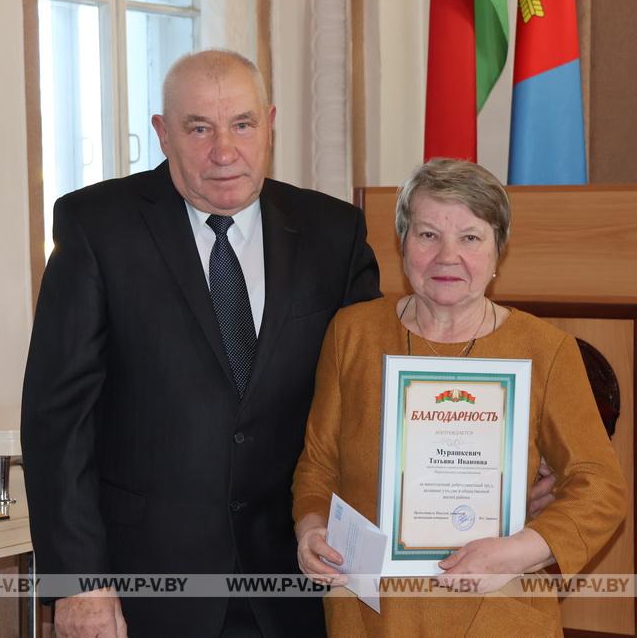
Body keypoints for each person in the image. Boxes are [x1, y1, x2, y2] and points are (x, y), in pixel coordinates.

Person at [20, 49, 381, 638]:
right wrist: (79, 581)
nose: (224, 151)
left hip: (298, 578)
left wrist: (506, 470)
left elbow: (374, 392)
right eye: (199, 128)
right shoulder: (97, 227)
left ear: (268, 122)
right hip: (147, 588)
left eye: (242, 124)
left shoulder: (332, 232)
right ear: (163, 134)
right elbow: (58, 421)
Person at [292, 158, 627, 636]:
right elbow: (318, 464)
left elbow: (601, 489)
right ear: (402, 243)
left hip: (497, 607)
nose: (447, 257)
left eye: (470, 237)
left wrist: (518, 550)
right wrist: (310, 528)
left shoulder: (546, 350)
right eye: (428, 235)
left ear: (498, 251)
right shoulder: (353, 333)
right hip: (371, 612)